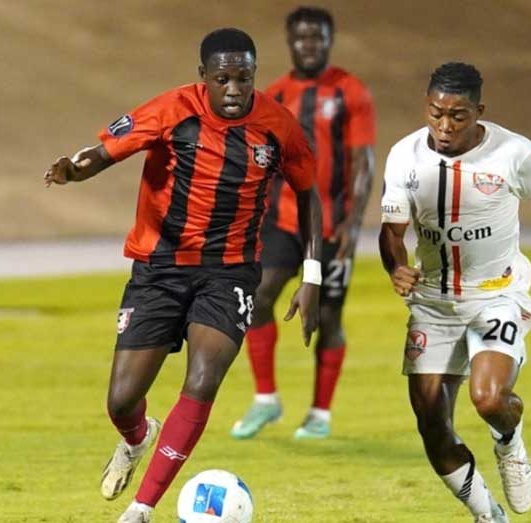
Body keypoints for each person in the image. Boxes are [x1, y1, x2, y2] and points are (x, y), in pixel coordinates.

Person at [43, 28, 323, 523]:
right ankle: (135, 438)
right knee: (122, 399)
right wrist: (73, 169)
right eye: (223, 79)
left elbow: (308, 194)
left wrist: (313, 274)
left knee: (202, 378)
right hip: (159, 270)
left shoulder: (278, 125)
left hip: (230, 273)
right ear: (204, 78)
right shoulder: (173, 110)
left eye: (244, 78)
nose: (235, 89)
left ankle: (142, 507)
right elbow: (105, 151)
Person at [378, 62, 531, 522]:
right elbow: (392, 229)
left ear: (479, 111)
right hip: (434, 303)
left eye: (457, 116)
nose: (444, 126)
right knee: (430, 422)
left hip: (498, 293)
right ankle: (488, 515)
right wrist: (397, 268)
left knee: (488, 398)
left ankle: (510, 441)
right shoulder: (405, 155)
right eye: (435, 112)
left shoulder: (515, 154)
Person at [230, 6, 375, 441]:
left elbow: (363, 163)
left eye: (318, 36)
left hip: (331, 226)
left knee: (328, 316)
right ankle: (266, 399)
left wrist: (353, 225)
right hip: (282, 222)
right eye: (302, 37)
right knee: (257, 297)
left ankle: (320, 413)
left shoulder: (350, 92)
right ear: (290, 41)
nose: (309, 44)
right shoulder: (272, 96)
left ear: (329, 40)